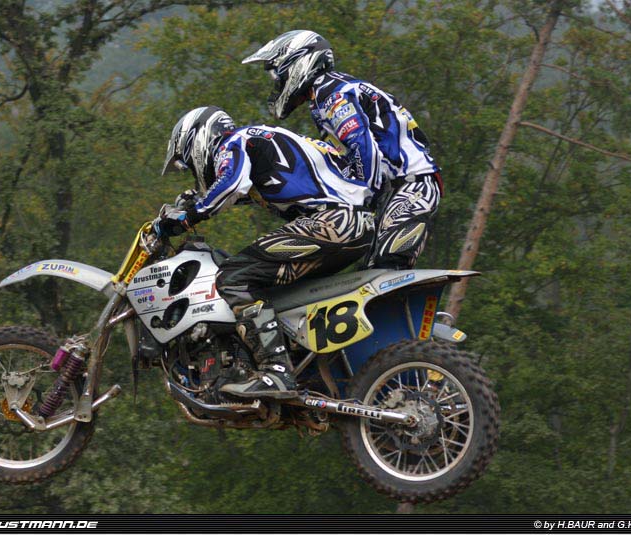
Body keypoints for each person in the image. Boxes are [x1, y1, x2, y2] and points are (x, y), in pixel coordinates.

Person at [156, 106, 374, 399]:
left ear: (198, 140)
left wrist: (187, 218)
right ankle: (303, 369)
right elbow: (250, 189)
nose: (193, 171)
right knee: (269, 285)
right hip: (353, 224)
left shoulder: (235, 141)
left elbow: (231, 185)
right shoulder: (262, 141)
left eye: (188, 164)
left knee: (234, 276)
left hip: (332, 223)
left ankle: (276, 371)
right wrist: (195, 199)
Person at [242, 30, 444, 269]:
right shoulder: (330, 89)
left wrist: (361, 200)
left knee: (387, 267)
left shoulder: (331, 93)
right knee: (368, 273)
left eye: (279, 74)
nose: (278, 82)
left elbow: (362, 146)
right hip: (400, 186)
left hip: (411, 185)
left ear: (298, 63)